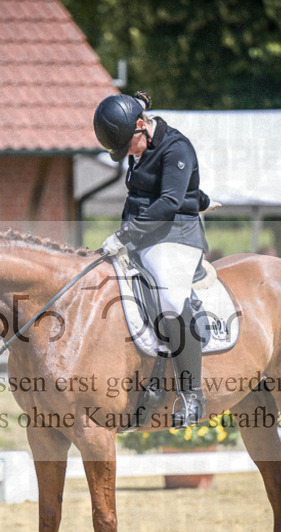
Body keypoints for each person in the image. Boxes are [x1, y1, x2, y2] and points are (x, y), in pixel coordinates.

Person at [93, 91, 211, 427]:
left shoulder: (178, 148)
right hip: (141, 234)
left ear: (143, 126)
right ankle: (146, 382)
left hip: (175, 235)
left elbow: (169, 202)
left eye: (128, 146)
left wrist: (125, 236)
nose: (128, 154)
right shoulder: (138, 134)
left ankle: (191, 395)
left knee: (171, 299)